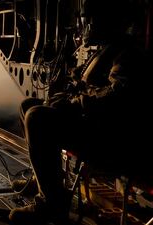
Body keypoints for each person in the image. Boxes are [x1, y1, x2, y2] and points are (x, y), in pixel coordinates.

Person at [11, 0, 152, 224]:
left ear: (108, 23)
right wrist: (66, 98)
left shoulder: (127, 55)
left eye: (92, 21)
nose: (88, 27)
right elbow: (91, 88)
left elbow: (117, 97)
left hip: (112, 140)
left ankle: (52, 204)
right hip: (98, 127)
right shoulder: (110, 50)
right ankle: (43, 181)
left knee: (37, 118)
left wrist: (75, 103)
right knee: (27, 105)